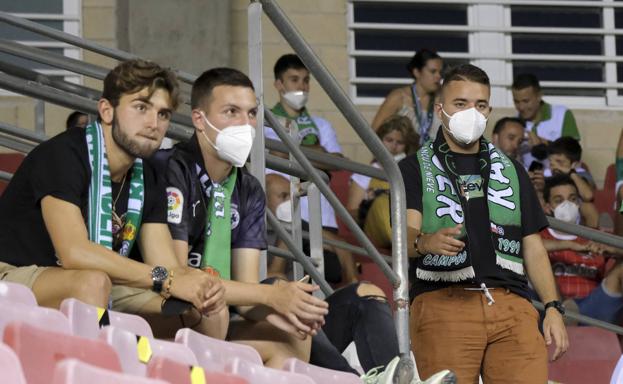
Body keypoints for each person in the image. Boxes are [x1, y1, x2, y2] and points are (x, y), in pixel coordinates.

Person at [0, 59, 226, 338]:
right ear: (107, 111)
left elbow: (167, 266)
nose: (154, 124)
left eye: (164, 114)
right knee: (92, 283)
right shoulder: (64, 154)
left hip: (95, 281)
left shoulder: (148, 175)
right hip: (12, 274)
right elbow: (75, 253)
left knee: (200, 308)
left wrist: (195, 283)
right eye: (141, 107)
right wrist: (166, 280)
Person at [399, 63, 568, 383]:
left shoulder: (512, 170)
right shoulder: (413, 167)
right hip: (443, 301)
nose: (470, 113)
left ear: (489, 109)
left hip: (513, 305)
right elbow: (403, 236)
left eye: (479, 105)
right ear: (440, 109)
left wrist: (553, 307)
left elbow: (531, 244)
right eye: (460, 104)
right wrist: (425, 242)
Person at [157, 67, 328, 368]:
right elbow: (180, 277)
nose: (245, 124)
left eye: (251, 114)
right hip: (166, 304)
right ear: (199, 119)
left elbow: (246, 294)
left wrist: (286, 310)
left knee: (292, 334)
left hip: (216, 310)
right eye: (231, 112)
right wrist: (271, 295)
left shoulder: (248, 188)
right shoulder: (172, 169)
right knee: (216, 306)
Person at [265, 173, 454, 384]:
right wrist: (285, 240)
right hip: (268, 323)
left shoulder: (300, 225)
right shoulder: (256, 226)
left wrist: (350, 279)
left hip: (304, 321)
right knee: (292, 300)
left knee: (364, 292)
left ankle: (397, 379)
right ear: (264, 198)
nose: (287, 203)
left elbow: (340, 249)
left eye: (291, 198)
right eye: (282, 197)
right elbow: (268, 284)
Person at [265, 53, 358, 284]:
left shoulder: (321, 125)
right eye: (294, 80)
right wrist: (319, 153)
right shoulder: (265, 122)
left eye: (306, 80)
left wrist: (293, 149)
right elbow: (278, 153)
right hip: (279, 222)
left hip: (323, 222)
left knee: (332, 273)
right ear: (278, 84)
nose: (302, 86)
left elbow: (335, 161)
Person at [541, 174, 623, 325]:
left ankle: (570, 315)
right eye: (559, 200)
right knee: (538, 258)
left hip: (593, 308)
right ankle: (564, 312)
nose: (567, 204)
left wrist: (611, 250)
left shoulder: (593, 237)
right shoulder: (540, 236)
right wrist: (570, 245)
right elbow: (526, 248)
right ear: (547, 207)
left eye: (572, 199)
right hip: (552, 306)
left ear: (578, 203)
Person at [347, 115, 418, 248]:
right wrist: (369, 200)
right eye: (389, 140)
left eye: (400, 142)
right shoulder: (365, 173)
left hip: (406, 221)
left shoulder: (411, 171)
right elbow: (352, 212)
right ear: (380, 141)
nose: (394, 146)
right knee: (383, 202)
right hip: (376, 224)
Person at [371, 49, 443, 146]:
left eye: (440, 72)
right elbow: (374, 133)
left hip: (435, 159)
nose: (438, 76)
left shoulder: (443, 99)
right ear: (417, 72)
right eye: (433, 71)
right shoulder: (398, 97)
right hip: (402, 159)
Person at [512, 73, 580, 167]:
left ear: (539, 96)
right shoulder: (513, 125)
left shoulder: (562, 114)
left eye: (526, 101)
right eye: (516, 102)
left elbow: (574, 153)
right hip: (527, 179)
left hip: (559, 179)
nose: (521, 107)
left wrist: (545, 145)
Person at [546, 136, 598, 228]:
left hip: (576, 218)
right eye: (551, 162)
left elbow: (588, 195)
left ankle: (590, 240)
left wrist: (571, 172)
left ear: (575, 164)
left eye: (559, 162)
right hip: (551, 215)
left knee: (588, 207)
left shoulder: (581, 174)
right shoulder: (548, 175)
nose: (554, 166)